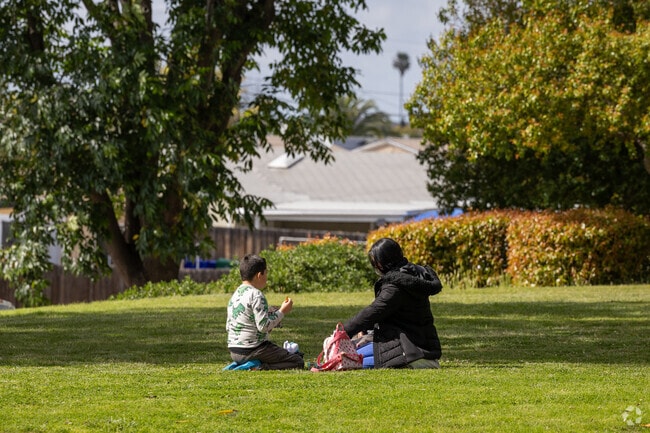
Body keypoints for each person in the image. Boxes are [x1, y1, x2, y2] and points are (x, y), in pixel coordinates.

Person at [343, 237, 443, 369]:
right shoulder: (412, 274)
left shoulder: (395, 286)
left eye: (377, 263)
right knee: (351, 351)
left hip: (411, 352)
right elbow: (387, 313)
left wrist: (343, 332)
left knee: (346, 358)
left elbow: (374, 311)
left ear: (383, 262)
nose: (377, 267)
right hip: (421, 346)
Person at [225, 254, 304, 370]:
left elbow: (229, 325)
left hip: (234, 351)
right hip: (253, 349)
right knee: (297, 361)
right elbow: (263, 326)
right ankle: (259, 366)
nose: (267, 277)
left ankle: (242, 364)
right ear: (259, 275)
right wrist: (282, 311)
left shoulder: (236, 294)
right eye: (266, 273)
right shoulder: (256, 295)